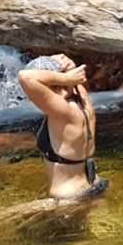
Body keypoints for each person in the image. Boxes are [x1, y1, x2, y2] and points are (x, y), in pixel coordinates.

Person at [18, 54, 109, 200]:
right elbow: (76, 79)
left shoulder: (62, 111)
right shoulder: (83, 99)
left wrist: (66, 78)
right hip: (95, 185)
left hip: (68, 197)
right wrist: (69, 73)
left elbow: (25, 77)